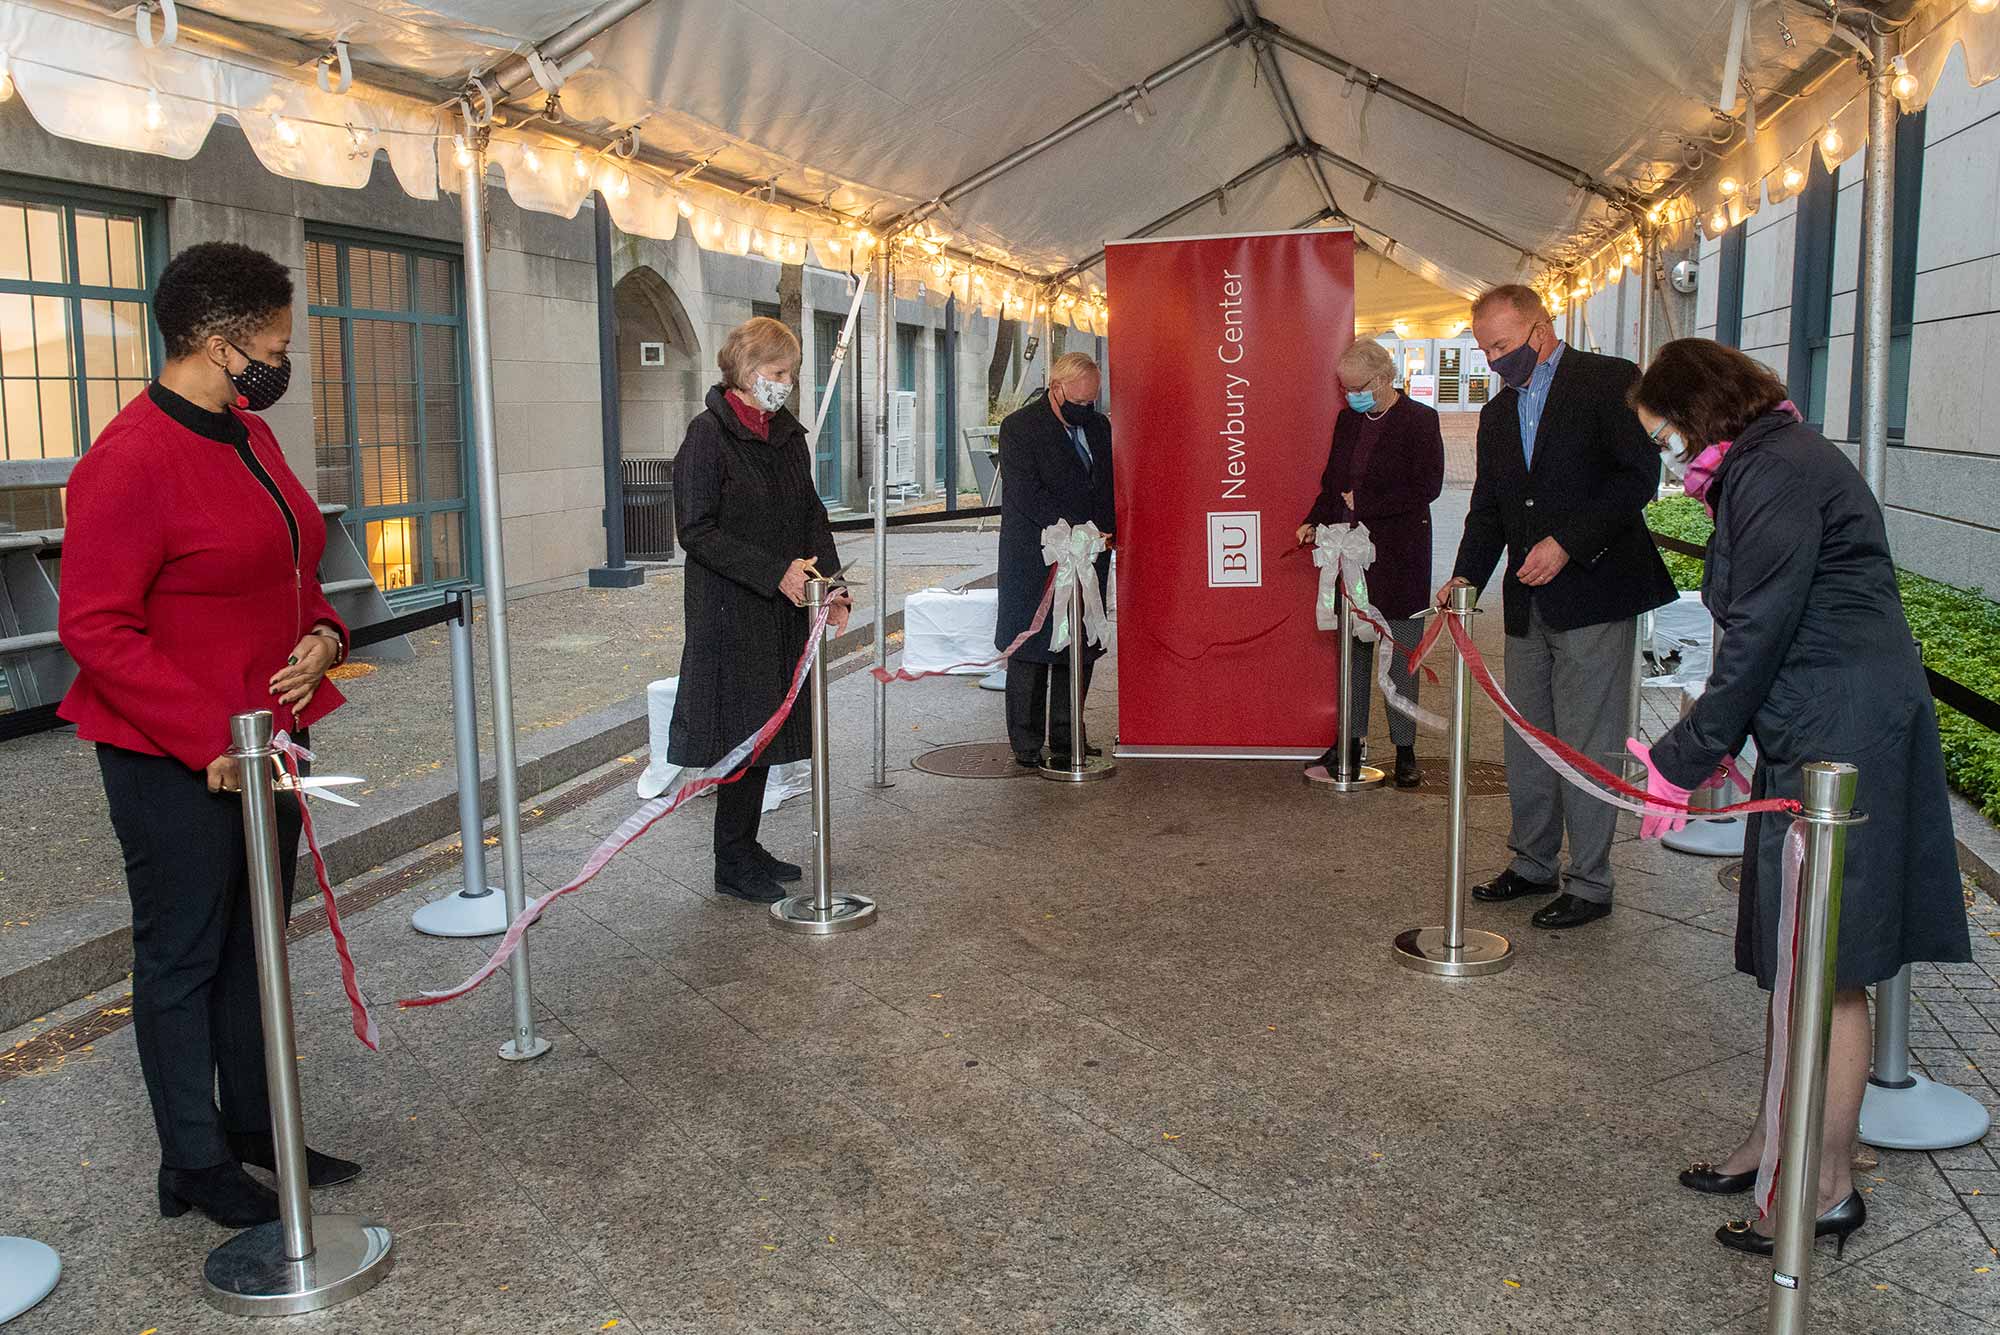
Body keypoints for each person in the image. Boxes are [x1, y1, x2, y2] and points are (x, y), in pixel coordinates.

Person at [1626, 338, 1971, 1257]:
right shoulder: (1769, 460)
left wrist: (1686, 755)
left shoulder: (1775, 470)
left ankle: (1825, 1184)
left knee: (1829, 963)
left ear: (1701, 413)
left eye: (1666, 434)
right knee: (1796, 959)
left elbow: (1761, 629)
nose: (1667, 454)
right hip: (1816, 727)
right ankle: (1773, 1144)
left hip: (1842, 738)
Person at [57, 241, 361, 1229]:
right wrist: (207, 739)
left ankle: (255, 1128)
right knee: (185, 953)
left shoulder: (246, 435)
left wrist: (322, 633)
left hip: (269, 738)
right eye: (274, 341)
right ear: (224, 342)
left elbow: (291, 560)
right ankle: (191, 1158)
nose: (283, 359)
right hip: (177, 753)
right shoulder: (128, 459)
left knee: (254, 945)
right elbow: (95, 626)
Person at [1439, 284, 1676, 930]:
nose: (1493, 359)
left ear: (1541, 328)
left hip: (1594, 593)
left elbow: (1638, 477)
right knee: (1527, 739)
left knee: (1587, 741)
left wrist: (1568, 543)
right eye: (1485, 348)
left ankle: (1591, 881)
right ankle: (1533, 860)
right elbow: (1487, 511)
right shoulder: (1495, 417)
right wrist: (1463, 577)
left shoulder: (1607, 381)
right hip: (1527, 604)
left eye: (1503, 345)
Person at [668, 317, 849, 903]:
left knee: (767, 731)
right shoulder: (707, 436)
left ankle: (747, 845)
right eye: (778, 373)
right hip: (731, 610)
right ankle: (730, 857)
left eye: (791, 373)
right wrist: (775, 572)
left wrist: (834, 584)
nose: (786, 382)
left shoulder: (785, 435)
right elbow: (696, 530)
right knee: (741, 733)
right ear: (746, 374)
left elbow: (810, 514)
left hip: (783, 607)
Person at [1296, 339, 1444, 788]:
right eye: (1344, 390)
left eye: (1357, 387)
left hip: (1400, 554)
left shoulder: (1420, 420)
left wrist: (1368, 502)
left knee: (1401, 653)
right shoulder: (1348, 421)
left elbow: (1427, 487)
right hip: (1349, 554)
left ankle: (1405, 749)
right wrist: (1312, 520)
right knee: (1354, 651)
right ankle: (1351, 741)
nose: (1350, 396)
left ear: (1382, 379)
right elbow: (1331, 483)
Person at [995, 351, 1116, 768]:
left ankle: (1068, 736)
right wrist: (1070, 530)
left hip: (1089, 552)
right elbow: (1025, 493)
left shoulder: (1100, 427)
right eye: (1078, 401)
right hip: (1036, 555)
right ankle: (1026, 742)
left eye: (1091, 402)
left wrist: (1106, 531)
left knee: (1078, 644)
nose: (1085, 409)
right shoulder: (1019, 428)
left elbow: (1107, 486)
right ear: (1057, 388)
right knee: (1031, 646)